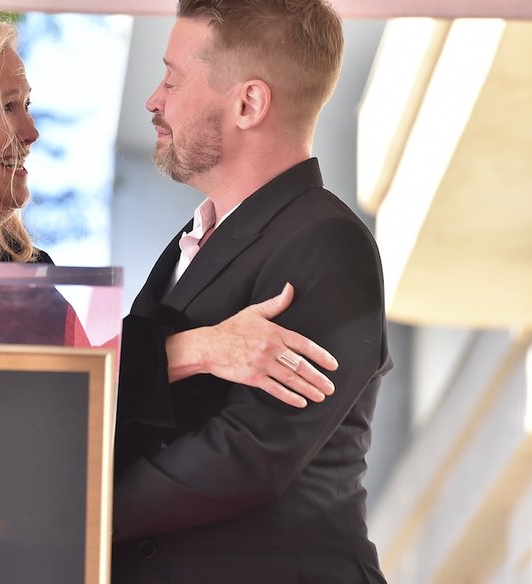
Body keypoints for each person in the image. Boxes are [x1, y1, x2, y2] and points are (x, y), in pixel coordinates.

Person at [0, 9, 339, 406]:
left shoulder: (21, 265)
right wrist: (204, 349)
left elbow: (93, 394)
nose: (31, 132)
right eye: (7, 106)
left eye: (27, 105)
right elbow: (38, 383)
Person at [110, 0, 392, 582]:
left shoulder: (327, 243)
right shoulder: (192, 241)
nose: (154, 100)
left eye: (172, 78)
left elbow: (248, 453)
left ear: (248, 103)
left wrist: (85, 510)